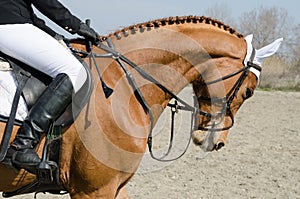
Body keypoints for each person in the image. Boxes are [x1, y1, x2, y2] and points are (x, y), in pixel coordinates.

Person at [0, 0, 99, 171]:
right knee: (74, 72)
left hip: (12, 21)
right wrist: (76, 24)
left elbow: (26, 12)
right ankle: (23, 144)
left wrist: (54, 35)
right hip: (8, 23)